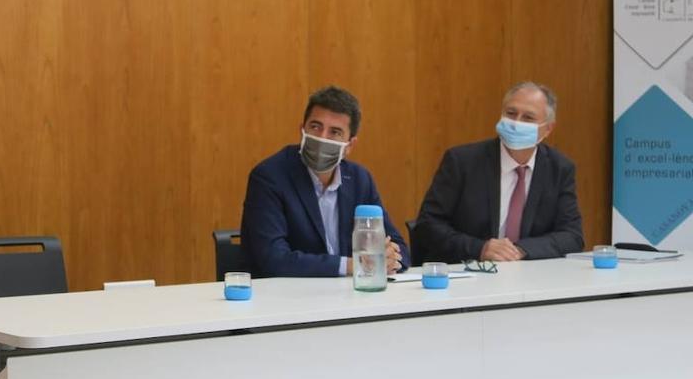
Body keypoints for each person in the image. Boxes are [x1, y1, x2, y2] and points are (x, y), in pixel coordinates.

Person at [240, 86, 409, 278]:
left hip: (349, 296)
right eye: (315, 127)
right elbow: (273, 258)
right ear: (302, 130)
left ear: (350, 145)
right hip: (287, 299)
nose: (322, 137)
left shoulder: (359, 180)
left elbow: (399, 247)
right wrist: (351, 266)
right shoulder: (270, 177)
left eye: (335, 132)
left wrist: (390, 258)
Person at [412, 81, 583, 264]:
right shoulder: (462, 161)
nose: (516, 123)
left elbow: (572, 236)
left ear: (548, 128)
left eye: (528, 118)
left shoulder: (559, 169)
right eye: (511, 113)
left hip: (529, 277)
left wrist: (521, 250)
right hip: (468, 275)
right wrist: (480, 249)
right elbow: (427, 225)